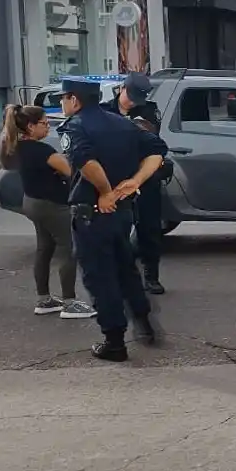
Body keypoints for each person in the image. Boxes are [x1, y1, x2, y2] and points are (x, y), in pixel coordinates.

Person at [58, 76, 167, 362]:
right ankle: (142, 321)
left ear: (74, 100)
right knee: (125, 268)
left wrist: (106, 191)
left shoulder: (76, 126)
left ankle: (114, 341)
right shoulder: (122, 123)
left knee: (99, 276)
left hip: (93, 213)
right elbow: (158, 150)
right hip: (123, 212)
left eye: (64, 98)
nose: (62, 103)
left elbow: (86, 162)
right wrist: (134, 181)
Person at [0, 104, 97, 320]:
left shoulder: (19, 147)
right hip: (53, 205)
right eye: (44, 124)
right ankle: (70, 303)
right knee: (68, 249)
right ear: (31, 127)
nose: (47, 128)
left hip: (33, 202)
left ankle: (44, 299)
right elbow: (72, 171)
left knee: (44, 248)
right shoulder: (42, 151)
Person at [100, 72, 169, 295]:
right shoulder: (103, 110)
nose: (131, 102)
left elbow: (151, 138)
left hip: (145, 177)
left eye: (137, 98)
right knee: (117, 229)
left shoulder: (148, 110)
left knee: (149, 228)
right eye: (129, 96)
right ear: (122, 88)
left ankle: (151, 276)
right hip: (115, 179)